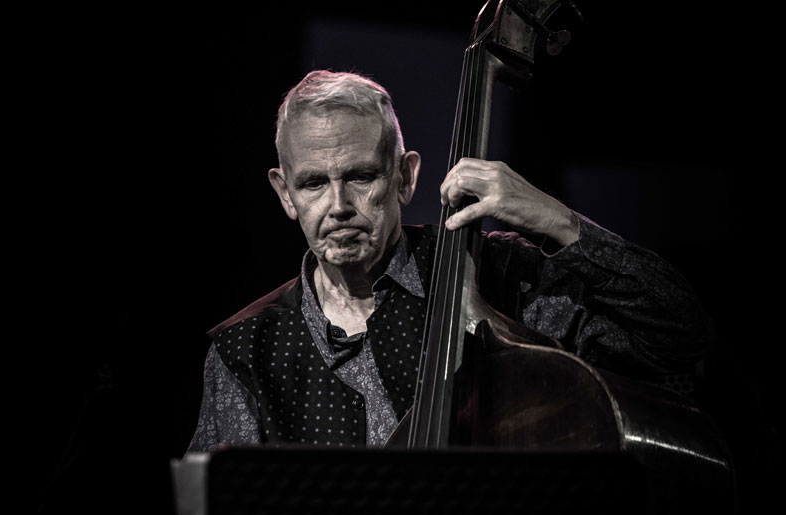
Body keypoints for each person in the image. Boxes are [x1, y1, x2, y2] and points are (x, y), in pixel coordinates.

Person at [187, 70, 714, 452]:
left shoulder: (496, 274)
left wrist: (558, 221)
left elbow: (678, 333)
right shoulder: (244, 349)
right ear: (285, 193)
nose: (339, 205)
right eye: (314, 183)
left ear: (405, 177)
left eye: (362, 177)